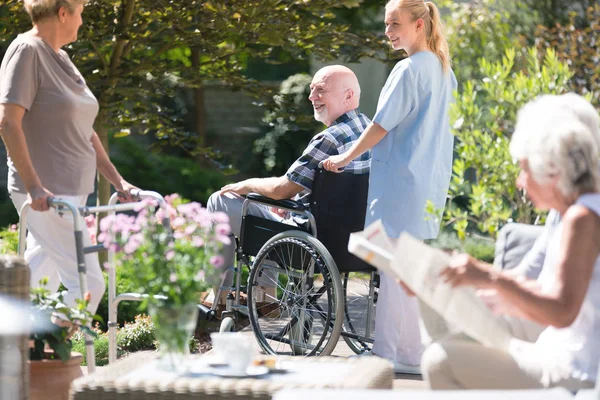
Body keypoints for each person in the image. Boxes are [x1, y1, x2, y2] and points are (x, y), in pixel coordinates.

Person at [421, 96, 600, 391]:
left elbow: (562, 311)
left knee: (441, 360)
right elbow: (546, 292)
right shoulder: (579, 212)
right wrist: (467, 282)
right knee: (451, 339)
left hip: (577, 369)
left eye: (525, 169)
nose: (520, 181)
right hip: (557, 353)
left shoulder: (583, 217)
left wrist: (488, 275)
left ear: (553, 172)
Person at [323, 0, 457, 373]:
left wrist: (347, 156)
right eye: (386, 24)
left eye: (394, 23)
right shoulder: (445, 71)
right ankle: (405, 353)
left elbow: (381, 125)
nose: (388, 31)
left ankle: (395, 354)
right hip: (426, 184)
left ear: (418, 24)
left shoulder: (408, 69)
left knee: (396, 270)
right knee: (403, 271)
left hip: (400, 183)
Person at [0, 0, 137, 313]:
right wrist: (34, 185)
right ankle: (46, 353)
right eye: (81, 11)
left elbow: (85, 131)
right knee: (89, 285)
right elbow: (8, 122)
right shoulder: (27, 52)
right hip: (46, 194)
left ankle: (22, 349)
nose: (82, 20)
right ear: (63, 13)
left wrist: (117, 181)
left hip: (72, 193)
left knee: (34, 282)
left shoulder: (62, 57)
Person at [206, 65, 371, 315]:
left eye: (321, 90)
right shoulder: (369, 132)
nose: (311, 97)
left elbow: (283, 189)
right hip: (354, 240)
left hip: (311, 240)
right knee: (271, 209)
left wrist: (247, 184)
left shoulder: (330, 139)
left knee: (220, 201)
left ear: (348, 96)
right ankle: (264, 294)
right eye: (311, 89)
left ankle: (218, 294)